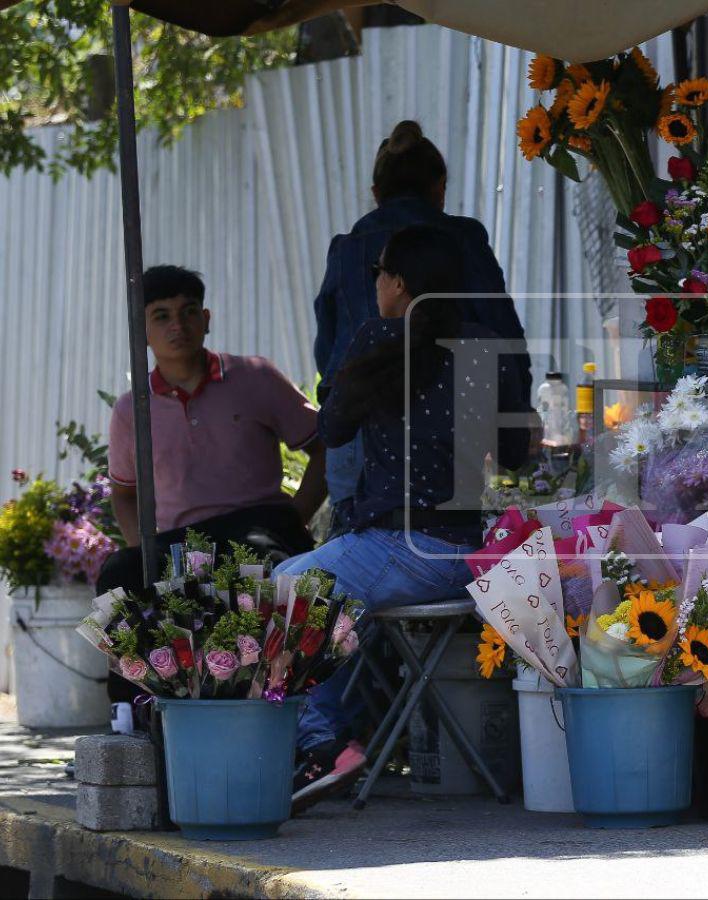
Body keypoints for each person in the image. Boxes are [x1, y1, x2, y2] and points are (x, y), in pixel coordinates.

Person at [280, 225, 532, 810]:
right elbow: (516, 455)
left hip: (400, 545)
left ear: (397, 282)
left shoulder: (376, 337)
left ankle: (323, 743)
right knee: (316, 592)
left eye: (379, 275)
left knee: (279, 592)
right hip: (465, 555)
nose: (375, 286)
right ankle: (333, 734)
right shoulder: (482, 347)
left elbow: (333, 427)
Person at [99, 266, 328, 701]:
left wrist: (297, 514)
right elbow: (124, 494)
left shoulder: (255, 376)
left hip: (258, 526)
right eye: (161, 316)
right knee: (119, 572)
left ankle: (288, 710)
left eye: (187, 312)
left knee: (260, 560)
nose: (177, 326)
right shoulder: (133, 409)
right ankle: (134, 718)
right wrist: (143, 548)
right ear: (141, 329)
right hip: (180, 541)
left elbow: (323, 447)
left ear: (206, 319)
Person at [313, 119, 532, 535]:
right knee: (444, 546)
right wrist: (513, 413)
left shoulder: (346, 250)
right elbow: (503, 336)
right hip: (445, 440)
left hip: (356, 427)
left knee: (356, 561)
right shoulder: (463, 238)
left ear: (376, 194)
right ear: (439, 188)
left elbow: (328, 352)